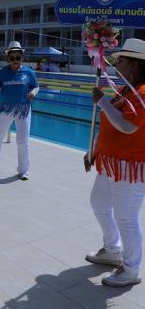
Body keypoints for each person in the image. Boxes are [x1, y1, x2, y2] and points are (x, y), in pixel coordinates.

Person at [84, 38, 145, 287]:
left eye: (120, 61)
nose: (116, 65)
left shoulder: (143, 93)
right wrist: (93, 150)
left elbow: (127, 126)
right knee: (98, 203)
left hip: (130, 166)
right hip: (110, 163)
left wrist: (102, 101)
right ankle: (112, 249)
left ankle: (131, 269)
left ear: (134, 65)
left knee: (126, 218)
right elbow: (109, 124)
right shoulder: (126, 90)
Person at [0, 41, 39, 180]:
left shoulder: (29, 72)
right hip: (5, 109)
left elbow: (36, 86)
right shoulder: (1, 73)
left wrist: (33, 93)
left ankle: (23, 170)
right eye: (12, 57)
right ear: (7, 58)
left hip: (23, 109)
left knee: (22, 141)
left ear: (22, 57)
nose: (15, 60)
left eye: (17, 57)